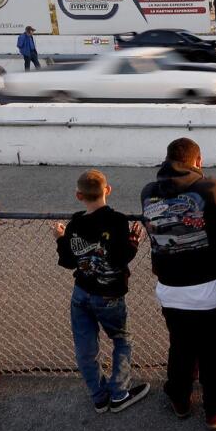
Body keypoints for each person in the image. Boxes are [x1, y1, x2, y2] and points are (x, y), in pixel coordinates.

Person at [142, 137, 216, 429]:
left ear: (167, 160)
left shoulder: (148, 192)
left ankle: (179, 398)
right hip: (210, 288)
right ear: (198, 161)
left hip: (170, 289)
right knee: (213, 351)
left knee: (180, 346)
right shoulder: (209, 188)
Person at [53, 169, 151, 414]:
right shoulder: (118, 220)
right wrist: (134, 241)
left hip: (81, 293)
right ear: (108, 190)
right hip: (109, 295)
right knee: (122, 340)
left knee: (85, 348)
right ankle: (119, 393)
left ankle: (98, 396)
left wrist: (61, 238)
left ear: (79, 196)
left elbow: (67, 261)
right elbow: (120, 259)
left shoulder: (75, 224)